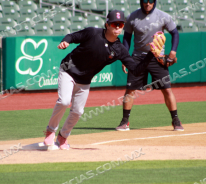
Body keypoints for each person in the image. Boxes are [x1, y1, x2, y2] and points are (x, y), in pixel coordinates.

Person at [44, 10, 155, 150]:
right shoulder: (93, 33)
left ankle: (63, 137)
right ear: (107, 24)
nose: (118, 27)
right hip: (68, 70)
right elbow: (72, 36)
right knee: (64, 101)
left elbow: (136, 69)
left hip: (84, 80)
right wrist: (65, 41)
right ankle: (50, 131)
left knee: (78, 111)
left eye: (121, 24)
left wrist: (151, 55)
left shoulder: (119, 49)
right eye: (115, 24)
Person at [115, 0, 184, 132]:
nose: (148, 3)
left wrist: (173, 51)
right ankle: (125, 121)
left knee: (167, 90)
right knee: (130, 90)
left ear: (154, 1)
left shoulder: (163, 16)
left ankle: (176, 120)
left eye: (151, 1)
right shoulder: (133, 17)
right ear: (141, 1)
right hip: (138, 58)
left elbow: (175, 33)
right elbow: (126, 38)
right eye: (145, 1)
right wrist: (124, 58)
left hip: (157, 57)